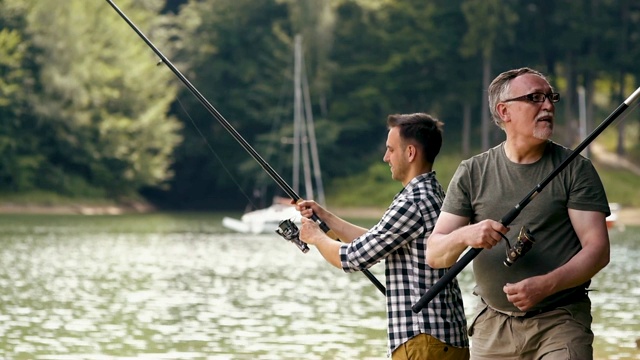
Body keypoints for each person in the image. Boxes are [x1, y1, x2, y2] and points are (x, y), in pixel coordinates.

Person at [425, 67, 610, 360]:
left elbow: (598, 250)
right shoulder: (472, 172)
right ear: (504, 111)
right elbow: (436, 254)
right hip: (492, 325)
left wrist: (547, 284)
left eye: (551, 97)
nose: (548, 105)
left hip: (560, 320)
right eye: (535, 98)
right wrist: (467, 234)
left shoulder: (576, 169)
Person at [295, 113, 469, 359]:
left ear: (410, 153)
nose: (385, 157)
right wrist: (325, 217)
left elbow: (353, 258)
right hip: (438, 338)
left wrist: (315, 237)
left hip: (423, 340)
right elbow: (375, 240)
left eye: (390, 150)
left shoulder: (413, 202)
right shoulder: (431, 191)